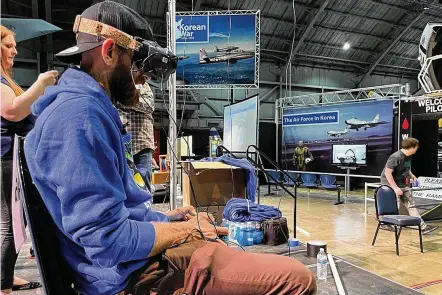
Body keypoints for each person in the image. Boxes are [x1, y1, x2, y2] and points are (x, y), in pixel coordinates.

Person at [23, 2, 316, 295]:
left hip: (133, 265)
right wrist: (186, 230)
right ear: (110, 51)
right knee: (297, 279)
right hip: (131, 277)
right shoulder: (78, 117)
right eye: (137, 61)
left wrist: (167, 219)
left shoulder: (87, 109)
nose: (144, 76)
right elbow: (107, 240)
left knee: (222, 245)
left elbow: (119, 213)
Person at [0, 25, 58, 294]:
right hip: (5, 158)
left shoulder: (5, 81)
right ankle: (3, 286)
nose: (15, 50)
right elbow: (12, 111)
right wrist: (42, 83)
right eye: (9, 45)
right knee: (11, 226)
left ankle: (6, 277)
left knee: (10, 225)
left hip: (9, 156)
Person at [380, 138, 439, 235]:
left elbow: (407, 169)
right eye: (416, 146)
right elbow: (387, 173)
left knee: (411, 205)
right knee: (396, 205)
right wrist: (394, 188)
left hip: (402, 184)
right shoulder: (395, 157)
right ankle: (386, 223)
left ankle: (423, 227)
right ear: (412, 147)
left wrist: (412, 176)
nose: (417, 148)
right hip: (390, 184)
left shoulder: (408, 156)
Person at [116, 82, 157, 190]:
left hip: (142, 143)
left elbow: (149, 106)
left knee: (143, 182)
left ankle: (145, 207)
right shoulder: (116, 84)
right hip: (121, 142)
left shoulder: (143, 85)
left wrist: (128, 99)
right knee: (122, 183)